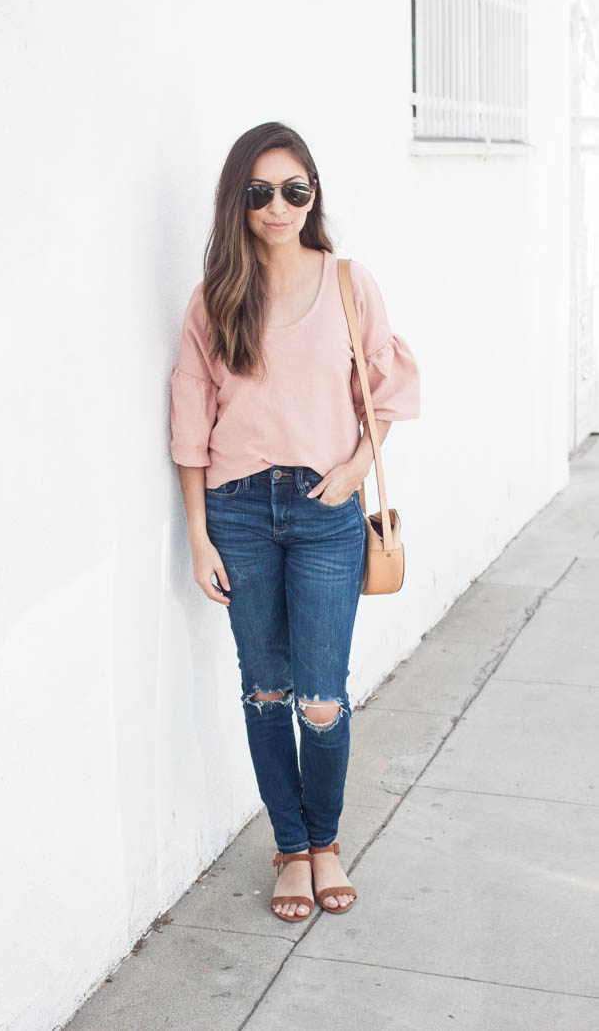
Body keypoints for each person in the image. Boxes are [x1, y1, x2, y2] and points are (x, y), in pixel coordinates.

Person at [169, 121, 420, 923]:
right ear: (237, 203)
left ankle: (326, 844)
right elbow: (189, 423)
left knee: (320, 697)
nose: (278, 206)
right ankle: (289, 849)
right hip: (238, 514)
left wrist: (351, 471)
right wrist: (199, 535)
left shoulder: (349, 283)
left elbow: (387, 389)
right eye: (260, 192)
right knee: (265, 689)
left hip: (323, 512)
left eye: (294, 189)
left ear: (313, 195)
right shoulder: (216, 298)